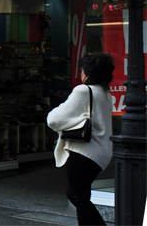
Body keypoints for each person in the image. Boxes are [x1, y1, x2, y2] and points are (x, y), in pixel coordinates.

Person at [47, 53, 114, 226]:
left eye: (82, 70)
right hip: (100, 154)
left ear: (87, 73)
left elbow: (54, 120)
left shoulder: (83, 90)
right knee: (76, 194)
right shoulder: (106, 93)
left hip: (83, 152)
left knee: (80, 197)